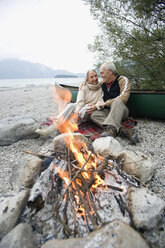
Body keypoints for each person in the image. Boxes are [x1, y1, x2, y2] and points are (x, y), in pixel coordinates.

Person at [35, 69, 104, 137]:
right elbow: (80, 101)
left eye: (95, 76)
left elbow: (101, 100)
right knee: (71, 105)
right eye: (91, 77)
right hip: (82, 108)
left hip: (90, 110)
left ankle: (66, 128)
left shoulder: (100, 88)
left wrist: (96, 106)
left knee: (86, 108)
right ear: (87, 79)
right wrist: (77, 110)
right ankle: (51, 129)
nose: (94, 78)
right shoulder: (84, 86)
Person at [86, 61, 138, 144]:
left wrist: (106, 103)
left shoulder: (123, 80)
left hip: (121, 111)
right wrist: (84, 84)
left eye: (102, 73)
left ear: (110, 71)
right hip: (108, 112)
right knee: (94, 114)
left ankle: (111, 130)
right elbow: (92, 86)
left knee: (117, 101)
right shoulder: (102, 83)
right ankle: (125, 131)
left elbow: (124, 98)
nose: (101, 76)